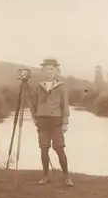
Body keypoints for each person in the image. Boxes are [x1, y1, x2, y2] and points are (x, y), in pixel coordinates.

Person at [29, 58, 74, 187]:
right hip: (42, 121)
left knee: (59, 147)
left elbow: (65, 105)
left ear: (56, 70)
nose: (49, 72)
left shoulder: (61, 86)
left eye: (52, 69)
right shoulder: (38, 86)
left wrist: (65, 122)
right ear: (42, 70)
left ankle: (66, 177)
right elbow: (32, 104)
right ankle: (45, 176)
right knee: (44, 148)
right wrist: (35, 118)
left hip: (56, 121)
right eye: (46, 69)